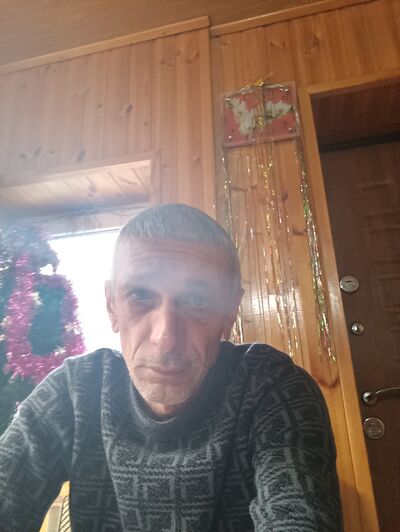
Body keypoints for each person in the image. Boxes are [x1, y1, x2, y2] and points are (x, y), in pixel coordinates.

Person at [0, 203, 342, 531]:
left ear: (229, 313)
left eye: (197, 301)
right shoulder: (74, 392)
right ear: (111, 304)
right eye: (140, 295)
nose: (165, 338)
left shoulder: (270, 388)